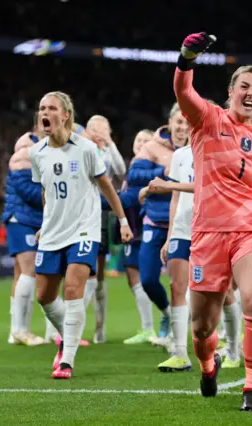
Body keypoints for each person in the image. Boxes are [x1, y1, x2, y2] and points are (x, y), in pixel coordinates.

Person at [173, 32, 252, 411]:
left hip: (249, 232)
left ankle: (251, 388)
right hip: (207, 235)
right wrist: (187, 57)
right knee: (201, 328)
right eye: (244, 86)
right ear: (231, 90)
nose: (251, 92)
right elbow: (183, 93)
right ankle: (209, 366)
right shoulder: (208, 119)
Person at [30, 91, 132, 379]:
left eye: (51, 108)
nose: (44, 113)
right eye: (41, 108)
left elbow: (107, 187)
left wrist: (122, 221)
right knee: (44, 296)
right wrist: (44, 222)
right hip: (52, 232)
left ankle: (67, 360)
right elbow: (46, 191)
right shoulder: (37, 153)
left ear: (65, 115)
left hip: (84, 230)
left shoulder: (86, 149)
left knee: (73, 290)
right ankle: (68, 338)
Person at [126, 104, 190, 342]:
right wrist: (163, 170)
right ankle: (166, 313)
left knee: (183, 281)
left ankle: (185, 330)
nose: (182, 127)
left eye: (186, 123)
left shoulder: (197, 147)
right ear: (170, 122)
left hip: (186, 222)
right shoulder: (152, 147)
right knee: (149, 279)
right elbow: (133, 176)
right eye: (178, 122)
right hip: (155, 220)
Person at [100, 131, 156, 345]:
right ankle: (150, 326)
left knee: (139, 277)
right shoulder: (133, 167)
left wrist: (102, 202)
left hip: (141, 229)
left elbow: (129, 199)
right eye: (138, 140)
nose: (140, 143)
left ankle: (151, 326)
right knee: (135, 278)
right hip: (133, 230)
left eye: (145, 141)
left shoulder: (144, 170)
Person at [4, 117, 51, 346]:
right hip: (22, 218)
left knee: (21, 274)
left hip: (29, 218)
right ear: (36, 127)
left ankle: (16, 331)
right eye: (44, 123)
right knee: (29, 271)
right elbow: (26, 191)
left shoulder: (42, 150)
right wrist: (54, 194)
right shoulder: (25, 153)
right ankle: (21, 331)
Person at [84, 115, 127, 344]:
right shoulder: (83, 149)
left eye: (103, 128)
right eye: (93, 127)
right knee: (76, 271)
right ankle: (64, 326)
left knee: (98, 272)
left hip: (101, 214)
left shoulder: (109, 152)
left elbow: (121, 172)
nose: (98, 131)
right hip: (81, 212)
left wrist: (109, 143)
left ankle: (100, 326)